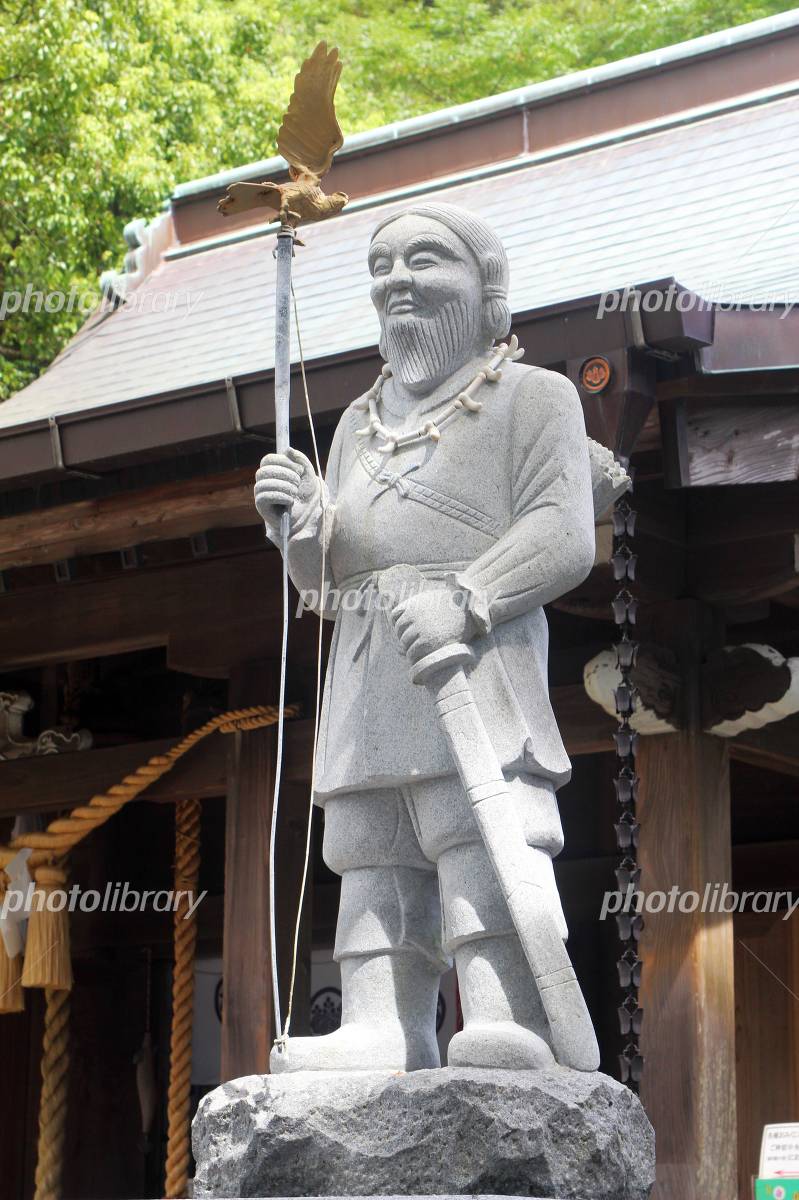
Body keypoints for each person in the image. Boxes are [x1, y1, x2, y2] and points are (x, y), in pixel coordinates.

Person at [255, 203, 600, 1072]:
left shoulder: (534, 398)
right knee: (370, 845)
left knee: (478, 828)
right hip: (370, 662)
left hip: (472, 655)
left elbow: (563, 531)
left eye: (424, 260)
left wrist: (470, 594)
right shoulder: (353, 426)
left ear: (487, 290)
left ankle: (504, 1012)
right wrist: (298, 530)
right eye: (380, 266)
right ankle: (382, 1023)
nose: (396, 280)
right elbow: (324, 590)